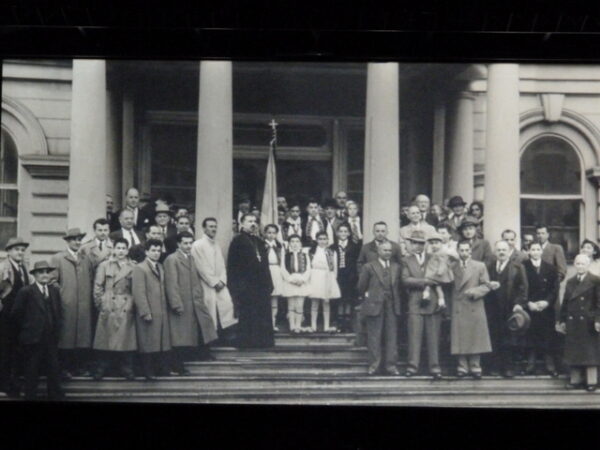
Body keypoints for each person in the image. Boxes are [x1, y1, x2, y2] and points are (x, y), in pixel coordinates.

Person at [165, 232, 218, 374]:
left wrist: (199, 297)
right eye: (185, 243)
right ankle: (177, 365)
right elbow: (171, 284)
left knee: (196, 330)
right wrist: (176, 304)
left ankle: (199, 355)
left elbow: (196, 280)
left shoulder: (191, 258)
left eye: (190, 243)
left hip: (194, 302)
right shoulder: (172, 259)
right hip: (182, 303)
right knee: (179, 336)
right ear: (178, 244)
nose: (188, 246)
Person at [10, 261, 64, 401]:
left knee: (54, 371)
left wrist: (56, 332)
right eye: (41, 272)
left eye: (47, 272)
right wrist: (26, 332)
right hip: (32, 340)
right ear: (34, 275)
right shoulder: (26, 291)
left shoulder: (54, 291)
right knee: (31, 373)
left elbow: (58, 312)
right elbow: (16, 315)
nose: (45, 275)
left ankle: (55, 397)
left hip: (50, 339)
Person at [50, 228, 94, 378]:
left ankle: (79, 367)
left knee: (82, 338)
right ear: (68, 241)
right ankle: (64, 368)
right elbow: (52, 281)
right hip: (66, 305)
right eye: (74, 239)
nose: (77, 242)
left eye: (79, 239)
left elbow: (91, 278)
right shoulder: (58, 258)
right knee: (66, 337)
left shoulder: (86, 259)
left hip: (84, 305)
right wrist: (63, 294)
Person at [401, 230, 444, 379]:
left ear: (425, 244)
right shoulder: (406, 260)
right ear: (410, 244)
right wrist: (425, 281)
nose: (417, 246)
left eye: (420, 243)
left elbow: (442, 276)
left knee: (433, 337)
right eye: (414, 243)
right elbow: (405, 280)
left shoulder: (434, 257)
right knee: (414, 336)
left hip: (433, 301)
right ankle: (412, 367)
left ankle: (435, 367)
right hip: (415, 302)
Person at [227, 213, 274, 348]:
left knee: (262, 313)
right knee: (248, 313)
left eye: (255, 221)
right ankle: (247, 342)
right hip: (246, 285)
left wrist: (269, 282)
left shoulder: (259, 241)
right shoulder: (237, 241)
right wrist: (237, 286)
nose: (253, 224)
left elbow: (265, 264)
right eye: (249, 221)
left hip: (261, 285)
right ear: (242, 223)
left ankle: (262, 342)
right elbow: (233, 266)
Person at [92, 238, 136, 381]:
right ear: (113, 249)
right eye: (118, 248)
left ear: (127, 251)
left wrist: (131, 304)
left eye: (123, 248)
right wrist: (102, 304)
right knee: (105, 339)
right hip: (109, 305)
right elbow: (98, 287)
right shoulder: (104, 265)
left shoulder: (133, 266)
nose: (121, 251)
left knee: (126, 339)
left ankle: (127, 369)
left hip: (125, 305)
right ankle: (101, 368)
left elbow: (136, 288)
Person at [484, 240, 528, 378]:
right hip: (492, 308)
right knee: (494, 337)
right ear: (495, 252)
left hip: (510, 308)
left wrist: (519, 303)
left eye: (504, 250)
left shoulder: (517, 267)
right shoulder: (489, 267)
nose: (501, 252)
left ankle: (508, 368)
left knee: (509, 339)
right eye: (499, 250)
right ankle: (495, 367)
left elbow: (523, 287)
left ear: (509, 252)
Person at [357, 240, 401, 376]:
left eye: (390, 250)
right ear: (378, 251)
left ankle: (391, 366)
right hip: (374, 305)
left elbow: (400, 287)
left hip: (392, 305)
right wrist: (370, 296)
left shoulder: (396, 267)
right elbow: (361, 287)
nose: (388, 253)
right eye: (385, 250)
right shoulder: (369, 267)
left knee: (392, 337)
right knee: (374, 337)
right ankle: (374, 366)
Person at [557, 254, 600, 391]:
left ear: (588, 265)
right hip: (573, 321)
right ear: (575, 265)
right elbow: (565, 302)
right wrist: (562, 320)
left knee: (590, 352)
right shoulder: (570, 281)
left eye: (583, 264)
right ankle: (575, 380)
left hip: (589, 322)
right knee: (574, 351)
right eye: (578, 263)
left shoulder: (595, 280)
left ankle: (592, 381)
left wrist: (598, 320)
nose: (580, 266)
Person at [450, 240, 492, 379]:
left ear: (470, 251)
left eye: (466, 250)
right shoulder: (452, 266)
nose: (464, 253)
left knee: (475, 336)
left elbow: (486, 286)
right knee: (460, 336)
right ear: (457, 251)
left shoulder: (479, 266)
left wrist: (475, 292)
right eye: (461, 250)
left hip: (474, 304)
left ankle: (475, 366)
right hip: (458, 305)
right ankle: (462, 366)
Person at [132, 239, 172, 380]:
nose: (156, 253)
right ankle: (147, 371)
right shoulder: (140, 268)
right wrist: (145, 312)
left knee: (158, 342)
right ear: (146, 252)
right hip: (149, 311)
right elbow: (139, 292)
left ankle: (159, 369)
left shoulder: (160, 266)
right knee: (147, 342)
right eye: (153, 250)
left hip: (160, 311)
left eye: (158, 250)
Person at [191, 218, 238, 336]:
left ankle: (224, 335)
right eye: (211, 226)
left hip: (220, 283)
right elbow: (201, 266)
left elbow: (222, 265)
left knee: (226, 306)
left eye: (215, 226)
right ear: (204, 228)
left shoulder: (216, 244)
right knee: (209, 309)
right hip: (207, 283)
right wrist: (214, 282)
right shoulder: (198, 245)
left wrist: (222, 280)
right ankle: (211, 337)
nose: (214, 229)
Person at [521, 241, 560, 377]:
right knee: (530, 335)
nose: (535, 252)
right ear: (528, 251)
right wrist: (528, 303)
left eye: (538, 249)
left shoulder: (550, 268)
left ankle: (550, 364)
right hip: (530, 307)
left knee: (547, 335)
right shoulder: (523, 267)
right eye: (533, 249)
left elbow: (555, 289)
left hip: (546, 308)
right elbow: (520, 287)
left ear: (541, 251)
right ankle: (530, 364)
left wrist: (546, 302)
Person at [0, 237, 31, 396]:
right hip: (5, 315)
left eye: (22, 250)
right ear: (9, 251)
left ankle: (14, 382)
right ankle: (4, 384)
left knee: (17, 350)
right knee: (5, 349)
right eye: (17, 249)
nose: (20, 252)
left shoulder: (23, 267)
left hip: (20, 316)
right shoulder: (3, 267)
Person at [308, 231, 341, 333]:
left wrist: (333, 279)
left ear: (327, 240)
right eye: (320, 239)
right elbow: (309, 265)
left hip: (327, 277)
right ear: (317, 240)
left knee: (326, 302)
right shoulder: (311, 251)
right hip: (315, 277)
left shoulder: (331, 252)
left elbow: (334, 267)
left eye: (324, 239)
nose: (322, 241)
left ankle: (326, 326)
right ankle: (313, 326)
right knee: (314, 302)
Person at [330, 223, 360, 332]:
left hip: (350, 275)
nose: (343, 233)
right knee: (339, 298)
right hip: (338, 274)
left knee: (348, 298)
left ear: (349, 233)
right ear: (337, 233)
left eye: (345, 231)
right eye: (341, 231)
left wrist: (355, 275)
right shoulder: (333, 247)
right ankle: (339, 320)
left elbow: (357, 261)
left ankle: (347, 322)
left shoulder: (354, 246)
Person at [281, 235, 311, 333]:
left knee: (299, 305)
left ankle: (298, 326)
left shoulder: (305, 255)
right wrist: (290, 280)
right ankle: (292, 326)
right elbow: (283, 269)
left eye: (297, 241)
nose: (295, 244)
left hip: (301, 281)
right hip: (290, 281)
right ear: (289, 244)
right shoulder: (286, 255)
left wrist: (303, 280)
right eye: (292, 241)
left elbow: (308, 269)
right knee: (291, 305)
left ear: (300, 244)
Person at [422, 232, 454, 307]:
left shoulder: (442, 253)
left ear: (441, 244)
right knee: (436, 286)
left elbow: (443, 263)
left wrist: (440, 271)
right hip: (432, 270)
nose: (434, 245)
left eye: (436, 243)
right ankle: (439, 300)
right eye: (432, 243)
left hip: (436, 273)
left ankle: (428, 295)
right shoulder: (432, 252)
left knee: (433, 285)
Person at [264, 224, 284, 331]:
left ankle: (273, 323)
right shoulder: (262, 245)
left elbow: (282, 261)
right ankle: (264, 324)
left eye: (273, 233)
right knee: (265, 298)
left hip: (276, 271)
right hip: (265, 272)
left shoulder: (279, 246)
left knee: (274, 298)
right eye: (269, 233)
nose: (271, 235)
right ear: (265, 233)